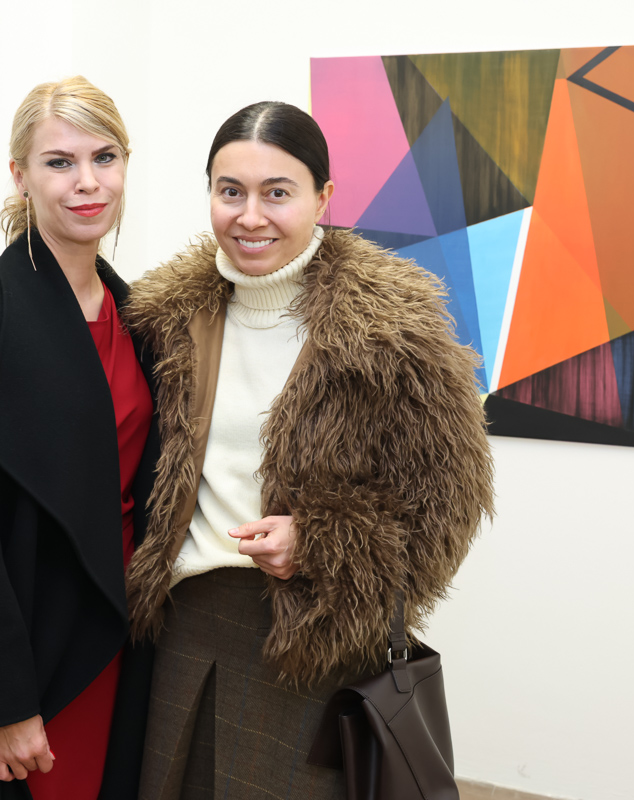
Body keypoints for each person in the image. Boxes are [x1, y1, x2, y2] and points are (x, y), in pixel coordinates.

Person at [122, 101, 495, 799]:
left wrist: (320, 544)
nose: (250, 216)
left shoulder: (395, 329)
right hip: (181, 629)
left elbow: (448, 510)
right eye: (230, 191)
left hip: (311, 641)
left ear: (323, 198)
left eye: (277, 193)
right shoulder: (161, 316)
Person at [0, 76, 160, 800]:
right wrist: (0, 702)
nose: (87, 182)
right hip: (27, 647)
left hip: (120, 627)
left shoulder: (140, 315)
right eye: (59, 162)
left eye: (104, 158)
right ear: (20, 175)